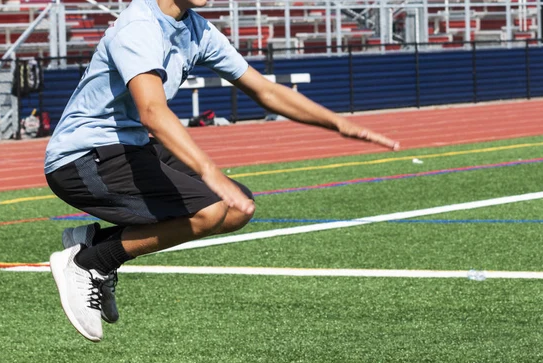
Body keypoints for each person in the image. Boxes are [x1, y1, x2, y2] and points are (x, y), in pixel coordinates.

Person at [45, 0, 399, 343]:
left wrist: (338, 123)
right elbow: (152, 111)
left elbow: (264, 89)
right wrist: (209, 171)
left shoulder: (196, 28)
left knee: (236, 207)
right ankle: (91, 263)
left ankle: (95, 244)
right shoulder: (139, 26)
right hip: (82, 157)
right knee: (210, 209)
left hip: (130, 147)